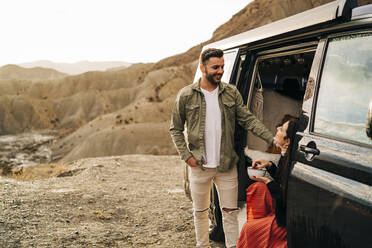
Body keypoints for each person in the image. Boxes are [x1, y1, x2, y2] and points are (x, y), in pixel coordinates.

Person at [170, 48, 274, 248]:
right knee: (200, 213)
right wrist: (187, 157)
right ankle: (203, 245)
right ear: (202, 68)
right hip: (198, 165)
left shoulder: (231, 92)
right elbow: (175, 129)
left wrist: (272, 139)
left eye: (222, 67)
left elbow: (248, 119)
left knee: (230, 214)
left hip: (226, 166)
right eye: (215, 67)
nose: (220, 71)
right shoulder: (186, 95)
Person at [237, 118, 299, 248]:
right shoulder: (285, 155)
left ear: (287, 141)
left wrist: (268, 181)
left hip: (285, 223)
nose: (277, 128)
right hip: (281, 214)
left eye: (281, 129)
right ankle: (259, 221)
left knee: (248, 229)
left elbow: (284, 196)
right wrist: (270, 165)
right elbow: (282, 181)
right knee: (257, 187)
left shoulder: (293, 163)